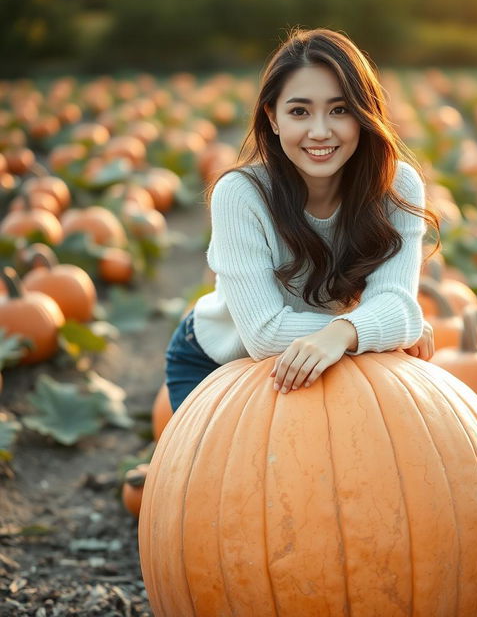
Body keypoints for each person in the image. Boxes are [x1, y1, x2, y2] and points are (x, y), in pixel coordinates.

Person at [165, 27, 440, 412]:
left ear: (364, 114)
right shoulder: (240, 194)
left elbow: (397, 304)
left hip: (323, 354)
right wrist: (378, 330)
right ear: (273, 119)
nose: (320, 131)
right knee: (224, 472)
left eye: (340, 109)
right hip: (221, 362)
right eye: (299, 111)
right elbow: (263, 333)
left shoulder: (396, 187)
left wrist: (351, 331)